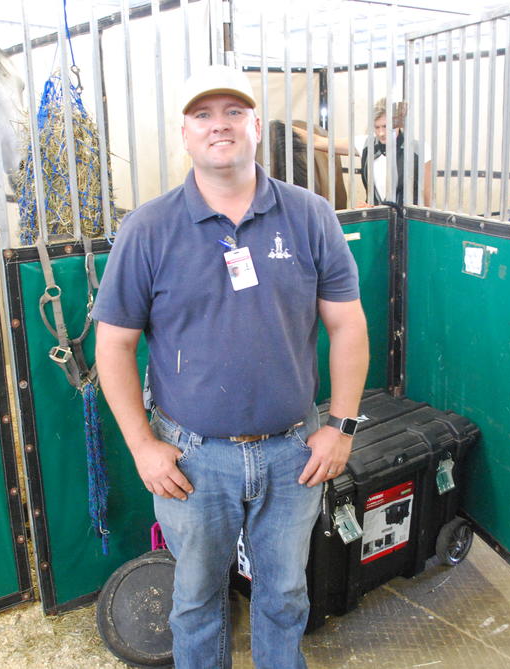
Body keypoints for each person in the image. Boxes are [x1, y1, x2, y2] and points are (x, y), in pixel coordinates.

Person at [91, 64, 369, 669]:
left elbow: (348, 324)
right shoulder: (148, 229)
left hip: (294, 451)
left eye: (234, 112)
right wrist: (142, 445)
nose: (220, 125)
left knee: (285, 593)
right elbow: (112, 346)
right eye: (203, 115)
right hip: (191, 458)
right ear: (185, 134)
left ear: (254, 127)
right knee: (194, 602)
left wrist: (341, 426)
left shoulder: (311, 215)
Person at [359, 97, 432, 207]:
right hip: (377, 222)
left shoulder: (419, 149)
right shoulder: (365, 145)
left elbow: (427, 198)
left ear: (397, 124)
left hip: (408, 221)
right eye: (376, 127)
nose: (381, 133)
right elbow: (326, 143)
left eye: (385, 126)